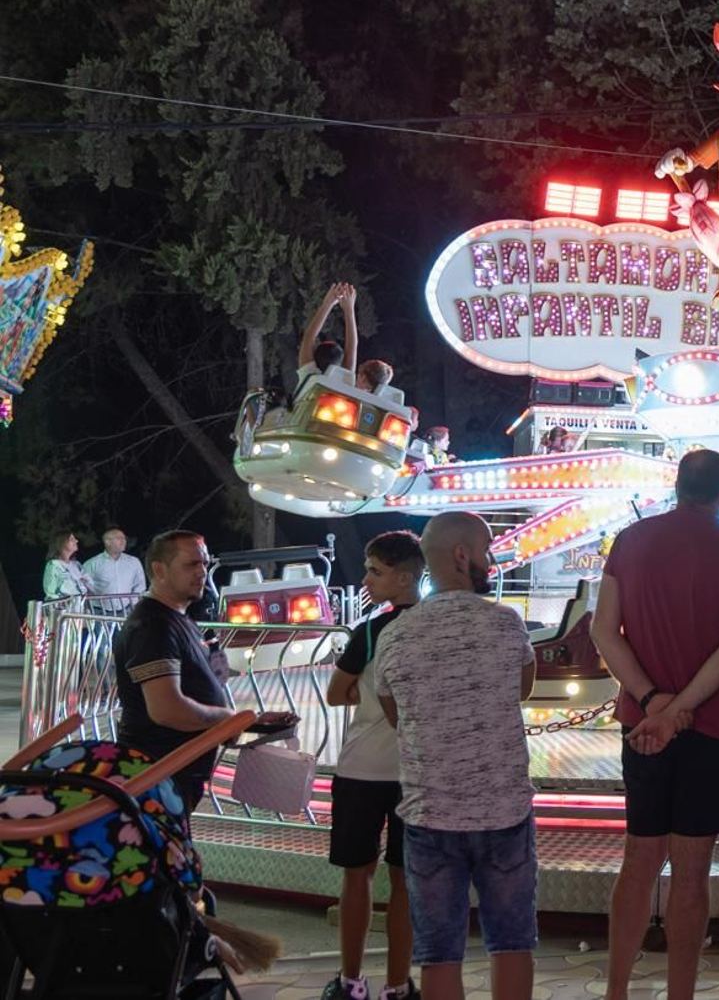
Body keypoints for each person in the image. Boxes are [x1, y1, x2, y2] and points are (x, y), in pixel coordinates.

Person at [592, 450, 719, 1000]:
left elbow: (604, 632)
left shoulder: (629, 542)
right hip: (713, 728)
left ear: (676, 486)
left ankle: (617, 989)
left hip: (642, 726)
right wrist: (680, 711)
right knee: (692, 871)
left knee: (639, 858)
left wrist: (653, 702)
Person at [373, 513, 538, 1000]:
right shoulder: (506, 624)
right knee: (511, 945)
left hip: (430, 818)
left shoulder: (395, 636)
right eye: (486, 549)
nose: (490, 560)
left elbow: (394, 714)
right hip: (504, 813)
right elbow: (521, 690)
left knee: (438, 954)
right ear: (462, 555)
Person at [113, 530, 291, 813]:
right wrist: (228, 719)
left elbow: (197, 694)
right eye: (191, 565)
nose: (202, 572)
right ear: (159, 570)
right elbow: (167, 710)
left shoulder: (178, 620)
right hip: (155, 775)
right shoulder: (152, 627)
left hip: (174, 776)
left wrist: (250, 721)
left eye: (205, 564)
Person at [322, 532, 425, 1000]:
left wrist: (365, 699)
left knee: (356, 876)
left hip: (363, 768)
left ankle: (350, 982)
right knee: (406, 880)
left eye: (375, 571)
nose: (366, 579)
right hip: (416, 772)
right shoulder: (435, 629)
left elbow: (335, 692)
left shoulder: (371, 631)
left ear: (405, 577)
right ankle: (399, 985)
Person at [295, 282, 359, 403]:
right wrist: (349, 309)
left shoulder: (310, 376)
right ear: (340, 363)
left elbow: (309, 336)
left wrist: (328, 303)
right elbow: (352, 347)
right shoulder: (344, 380)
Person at [83, 525, 147, 610]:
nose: (124, 541)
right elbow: (84, 587)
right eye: (119, 538)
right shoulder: (92, 564)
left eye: (124, 538)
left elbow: (140, 585)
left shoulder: (134, 562)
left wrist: (133, 603)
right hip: (99, 612)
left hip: (127, 610)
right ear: (108, 542)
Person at [42, 530, 94, 599]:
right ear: (62, 543)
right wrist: (80, 581)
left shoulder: (77, 564)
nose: (76, 541)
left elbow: (90, 583)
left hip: (79, 607)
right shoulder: (54, 565)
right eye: (72, 539)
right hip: (61, 607)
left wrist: (76, 583)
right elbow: (52, 591)